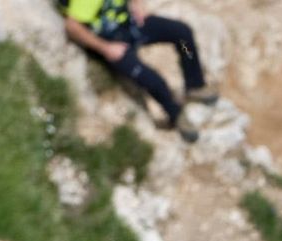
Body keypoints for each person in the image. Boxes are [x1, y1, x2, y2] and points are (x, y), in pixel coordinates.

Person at [60, 0, 218, 142]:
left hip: (129, 25)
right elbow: (72, 26)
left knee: (183, 35)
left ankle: (195, 85)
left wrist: (136, 3)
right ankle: (176, 114)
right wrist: (105, 48)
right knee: (153, 80)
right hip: (110, 42)